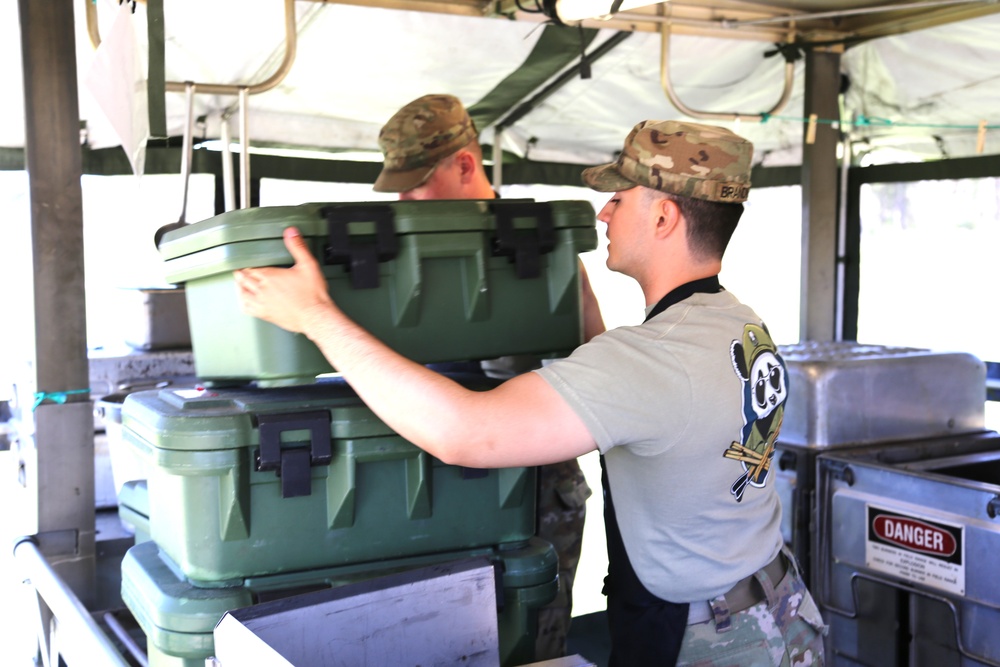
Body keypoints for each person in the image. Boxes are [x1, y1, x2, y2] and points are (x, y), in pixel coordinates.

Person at [234, 119, 827, 666]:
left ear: (664, 218)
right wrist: (578, 304)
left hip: (710, 640)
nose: (602, 214)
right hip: (773, 607)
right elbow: (641, 403)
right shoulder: (733, 322)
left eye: (618, 199)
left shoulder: (649, 359)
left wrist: (315, 316)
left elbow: (464, 433)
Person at [372, 93, 600, 660]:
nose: (403, 199)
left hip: (537, 492)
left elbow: (597, 362)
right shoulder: (400, 251)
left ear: (466, 166)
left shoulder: (541, 244)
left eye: (415, 182)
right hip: (433, 485)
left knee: (534, 642)